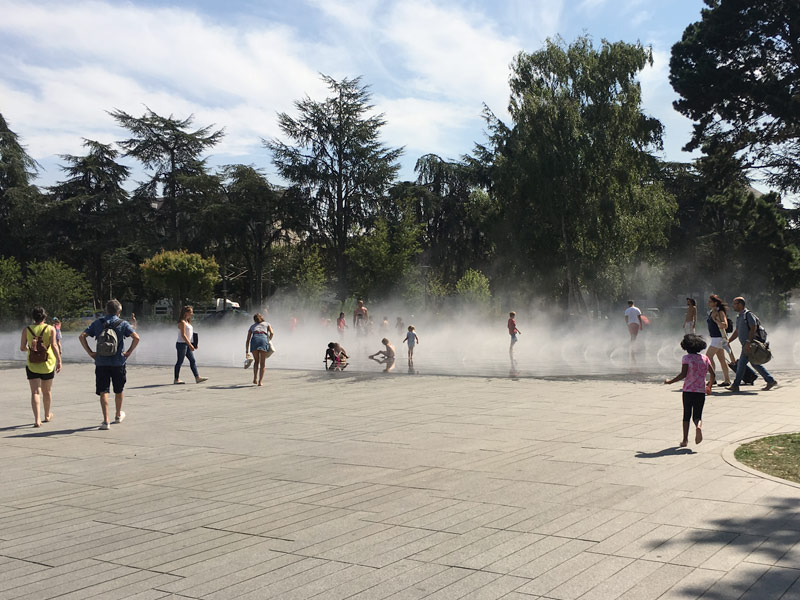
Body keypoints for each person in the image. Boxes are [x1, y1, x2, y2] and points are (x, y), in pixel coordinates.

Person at [79, 299, 139, 430]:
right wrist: (128, 352)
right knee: (119, 390)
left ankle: (106, 421)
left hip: (101, 362)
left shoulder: (98, 323)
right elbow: (136, 337)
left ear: (106, 310)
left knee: (103, 391)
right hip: (118, 362)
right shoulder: (123, 324)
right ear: (119, 311)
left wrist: (90, 352)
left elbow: (82, 336)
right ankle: (117, 415)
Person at [664, 334, 715, 447]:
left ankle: (685, 440)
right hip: (700, 391)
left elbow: (683, 374)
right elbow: (713, 374)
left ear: (686, 347)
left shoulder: (686, 358)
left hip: (688, 391)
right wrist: (709, 387)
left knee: (686, 415)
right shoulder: (705, 358)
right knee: (697, 416)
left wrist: (670, 381)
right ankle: (698, 427)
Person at [19, 307, 62, 427]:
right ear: (45, 317)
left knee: (35, 392)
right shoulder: (50, 329)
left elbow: (22, 348)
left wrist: (31, 349)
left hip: (32, 364)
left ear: (33, 317)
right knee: (47, 391)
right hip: (47, 364)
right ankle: (47, 415)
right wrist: (59, 361)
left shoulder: (26, 330)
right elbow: (54, 346)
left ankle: (37, 420)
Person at [728, 297, 777, 392]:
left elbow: (753, 327)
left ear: (740, 304)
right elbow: (737, 331)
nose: (733, 305)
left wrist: (748, 342)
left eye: (735, 303)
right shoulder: (739, 317)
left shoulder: (748, 315)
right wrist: (729, 341)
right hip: (746, 345)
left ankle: (735, 385)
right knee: (755, 364)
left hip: (750, 345)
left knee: (741, 365)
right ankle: (770, 380)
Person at [174, 305, 207, 385]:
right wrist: (190, 345)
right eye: (191, 312)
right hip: (182, 344)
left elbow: (190, 334)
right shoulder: (182, 322)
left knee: (192, 360)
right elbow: (183, 335)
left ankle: (197, 377)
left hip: (187, 344)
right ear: (186, 313)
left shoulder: (188, 322)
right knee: (180, 361)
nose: (192, 314)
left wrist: (193, 343)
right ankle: (176, 379)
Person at [705, 295, 732, 386]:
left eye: (710, 302)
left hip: (718, 338)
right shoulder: (712, 311)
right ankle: (727, 380)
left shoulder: (720, 312)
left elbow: (725, 325)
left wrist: (716, 320)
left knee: (708, 357)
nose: (708, 303)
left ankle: (713, 379)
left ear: (715, 303)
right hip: (715, 338)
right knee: (721, 359)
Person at [245, 313, 274, 386]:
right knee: (262, 363)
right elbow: (272, 333)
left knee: (256, 361)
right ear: (262, 318)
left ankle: (255, 378)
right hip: (263, 340)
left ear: (254, 320)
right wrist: (269, 340)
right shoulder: (267, 324)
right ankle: (260, 382)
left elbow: (248, 340)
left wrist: (246, 351)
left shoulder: (252, 326)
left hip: (254, 341)